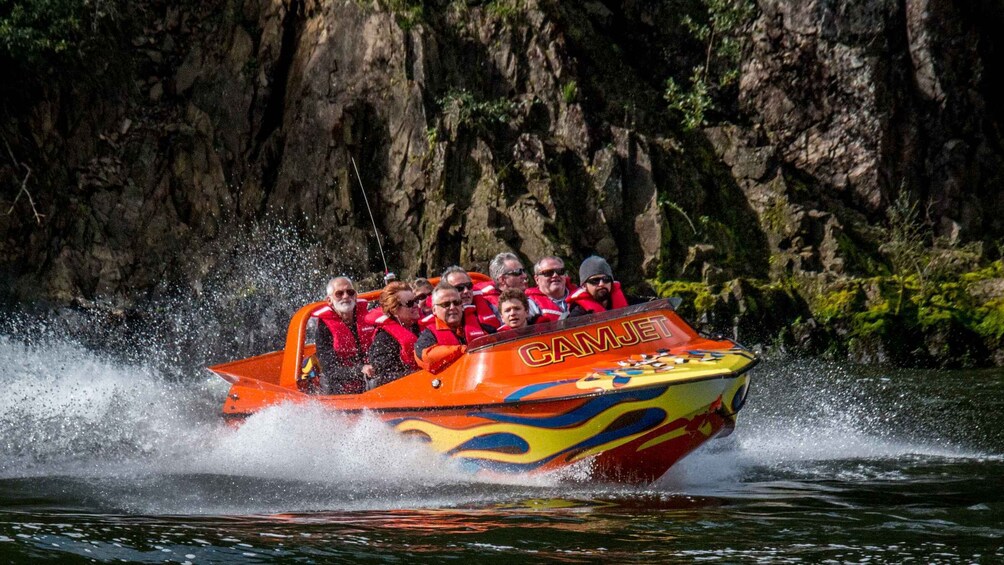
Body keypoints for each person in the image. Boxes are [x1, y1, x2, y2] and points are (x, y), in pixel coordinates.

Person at [414, 281, 494, 373]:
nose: (452, 307)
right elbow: (425, 356)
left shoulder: (482, 326)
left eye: (456, 303)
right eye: (446, 304)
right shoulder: (428, 336)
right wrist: (460, 350)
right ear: (434, 310)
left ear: (462, 306)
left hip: (483, 373)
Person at [314, 276, 376, 394]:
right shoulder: (323, 329)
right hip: (340, 388)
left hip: (372, 380)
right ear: (329, 300)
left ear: (356, 296)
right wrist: (360, 370)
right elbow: (330, 370)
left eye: (350, 292)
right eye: (339, 293)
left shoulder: (370, 318)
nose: (346, 296)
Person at [366, 281, 422, 388]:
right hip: (403, 391)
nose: (416, 305)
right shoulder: (384, 339)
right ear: (394, 310)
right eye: (410, 303)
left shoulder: (420, 329)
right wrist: (419, 374)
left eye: (416, 301)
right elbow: (384, 376)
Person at [567, 256, 635, 316]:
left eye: (606, 279)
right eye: (595, 280)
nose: (601, 284)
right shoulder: (578, 315)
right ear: (584, 286)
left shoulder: (631, 302)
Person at [476, 252, 533, 318]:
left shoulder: (532, 298)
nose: (524, 275)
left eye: (523, 271)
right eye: (518, 272)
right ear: (502, 280)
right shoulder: (490, 305)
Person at [526, 255, 577, 323]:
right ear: (537, 279)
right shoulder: (529, 305)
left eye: (560, 271)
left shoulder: (580, 295)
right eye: (548, 273)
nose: (555, 275)